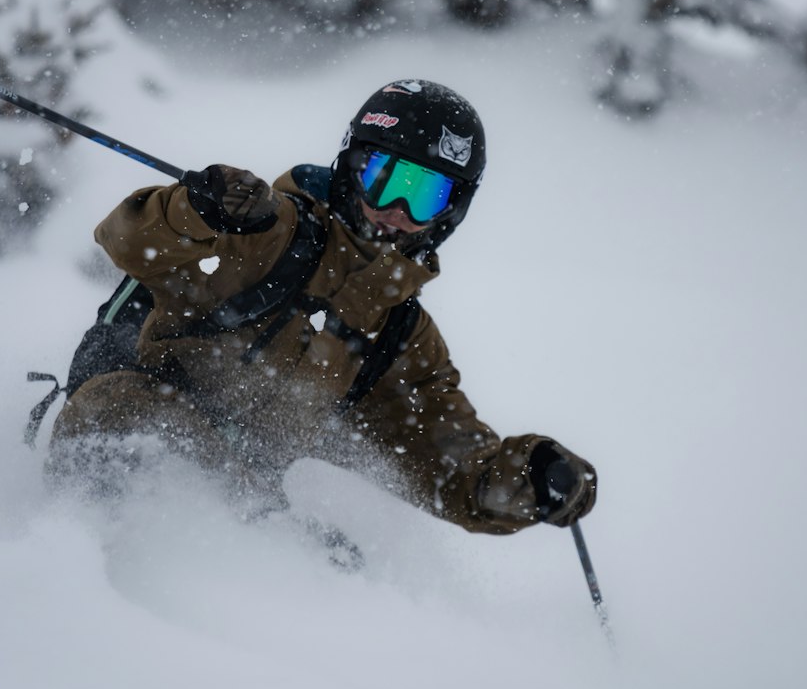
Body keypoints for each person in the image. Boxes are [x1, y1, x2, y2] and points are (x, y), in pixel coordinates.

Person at [48, 79, 597, 536]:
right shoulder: (268, 231)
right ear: (351, 165)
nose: (397, 211)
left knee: (327, 560)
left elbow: (452, 466)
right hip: (133, 428)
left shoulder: (398, 334)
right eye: (382, 179)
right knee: (129, 415)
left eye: (426, 195)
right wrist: (198, 210)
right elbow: (127, 238)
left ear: (452, 212)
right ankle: (80, 582)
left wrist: (531, 478)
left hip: (241, 502)